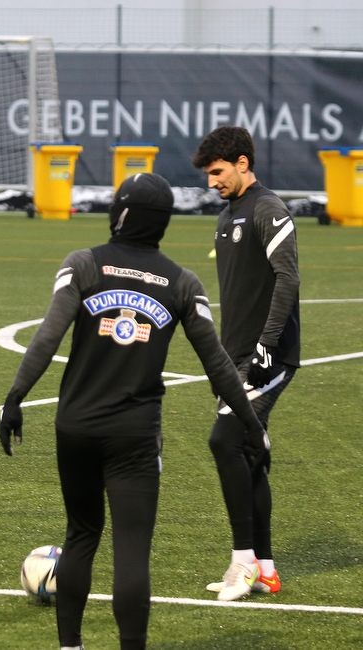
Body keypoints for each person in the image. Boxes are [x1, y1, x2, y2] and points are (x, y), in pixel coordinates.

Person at [0, 173, 268, 650]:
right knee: (131, 551)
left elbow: (47, 336)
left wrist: (16, 398)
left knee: (81, 535)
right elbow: (219, 365)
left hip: (76, 425)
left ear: (118, 213)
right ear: (163, 223)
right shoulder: (183, 283)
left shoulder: (82, 264)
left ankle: (70, 647)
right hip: (136, 435)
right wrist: (251, 425)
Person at [192, 125, 300, 602]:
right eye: (208, 175)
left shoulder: (268, 208)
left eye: (217, 172)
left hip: (265, 357)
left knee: (223, 441)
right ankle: (267, 570)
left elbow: (287, 279)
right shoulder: (228, 213)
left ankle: (243, 563)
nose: (211, 182)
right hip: (233, 357)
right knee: (249, 458)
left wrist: (265, 347)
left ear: (242, 163)